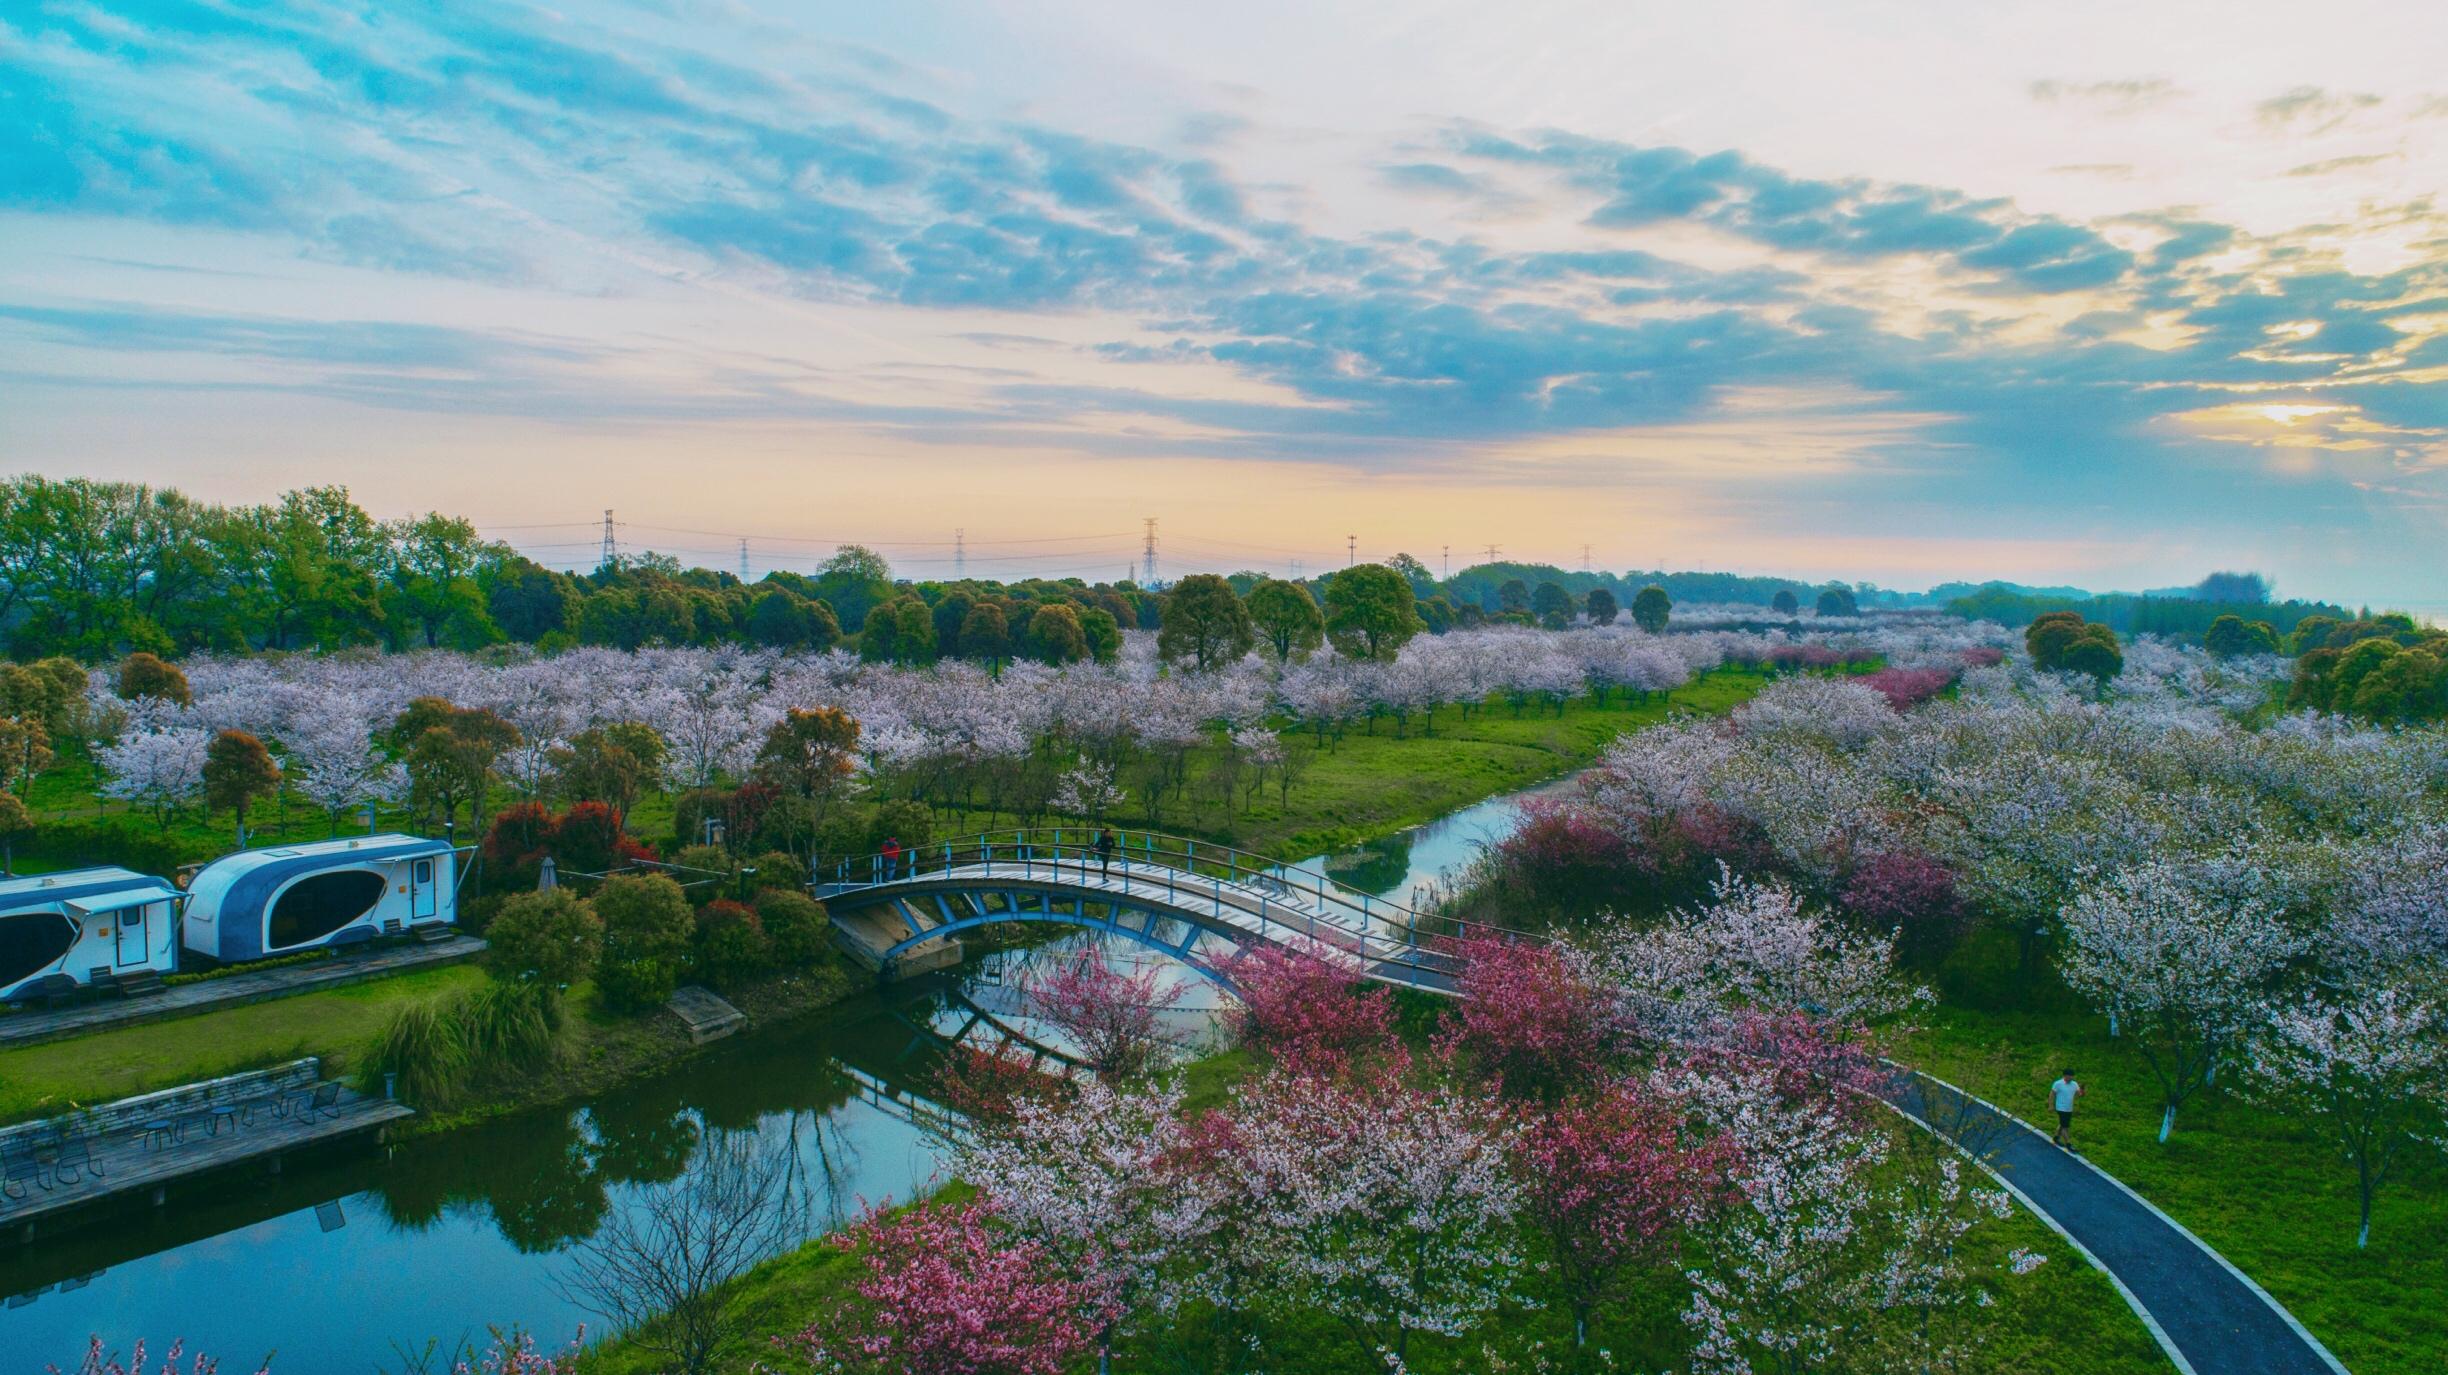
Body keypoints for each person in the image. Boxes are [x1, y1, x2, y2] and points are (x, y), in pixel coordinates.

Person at [2050, 1068, 2085, 1149]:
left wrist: (2082, 1091)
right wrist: (2051, 1105)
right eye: (2070, 1076)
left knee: (2062, 1125)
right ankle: (2068, 1144)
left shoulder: (2074, 1084)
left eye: (2072, 1076)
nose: (2072, 1078)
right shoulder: (2058, 1084)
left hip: (2069, 1108)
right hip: (2060, 1108)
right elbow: (2052, 1094)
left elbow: (2079, 1095)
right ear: (2065, 1076)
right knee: (2065, 1127)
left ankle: (2055, 1138)